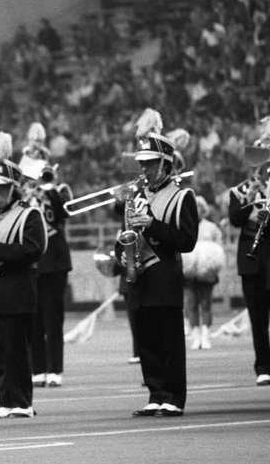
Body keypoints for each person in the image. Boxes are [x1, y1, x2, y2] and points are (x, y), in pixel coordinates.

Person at [117, 109, 198, 418]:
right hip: (138, 276)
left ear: (165, 164)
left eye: (150, 164)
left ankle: (173, 396)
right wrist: (119, 255)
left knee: (169, 340)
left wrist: (151, 224)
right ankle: (154, 392)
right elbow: (124, 233)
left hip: (164, 275)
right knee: (146, 338)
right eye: (143, 164)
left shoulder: (181, 197)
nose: (145, 169)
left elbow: (186, 240)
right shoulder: (135, 196)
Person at [0, 132, 47, 419]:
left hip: (18, 290)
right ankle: (6, 400)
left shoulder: (29, 215)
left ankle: (22, 402)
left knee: (17, 349)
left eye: (0, 187)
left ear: (13, 188)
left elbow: (34, 250)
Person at [21, 122, 72, 389]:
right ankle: (38, 369)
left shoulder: (58, 190)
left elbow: (64, 215)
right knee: (34, 319)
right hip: (32, 260)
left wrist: (49, 191)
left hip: (54, 259)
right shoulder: (23, 192)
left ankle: (55, 369)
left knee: (53, 319)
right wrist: (28, 193)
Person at [228, 129, 270, 386]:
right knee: (257, 317)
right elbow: (235, 220)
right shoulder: (239, 190)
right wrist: (249, 196)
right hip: (251, 260)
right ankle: (263, 365)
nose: (260, 167)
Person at [182, 197, 226, 350]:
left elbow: (219, 248)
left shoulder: (212, 227)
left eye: (199, 207)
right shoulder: (184, 225)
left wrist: (212, 264)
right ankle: (195, 337)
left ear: (203, 209)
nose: (197, 210)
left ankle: (206, 335)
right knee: (191, 304)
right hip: (189, 272)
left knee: (206, 303)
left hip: (207, 272)